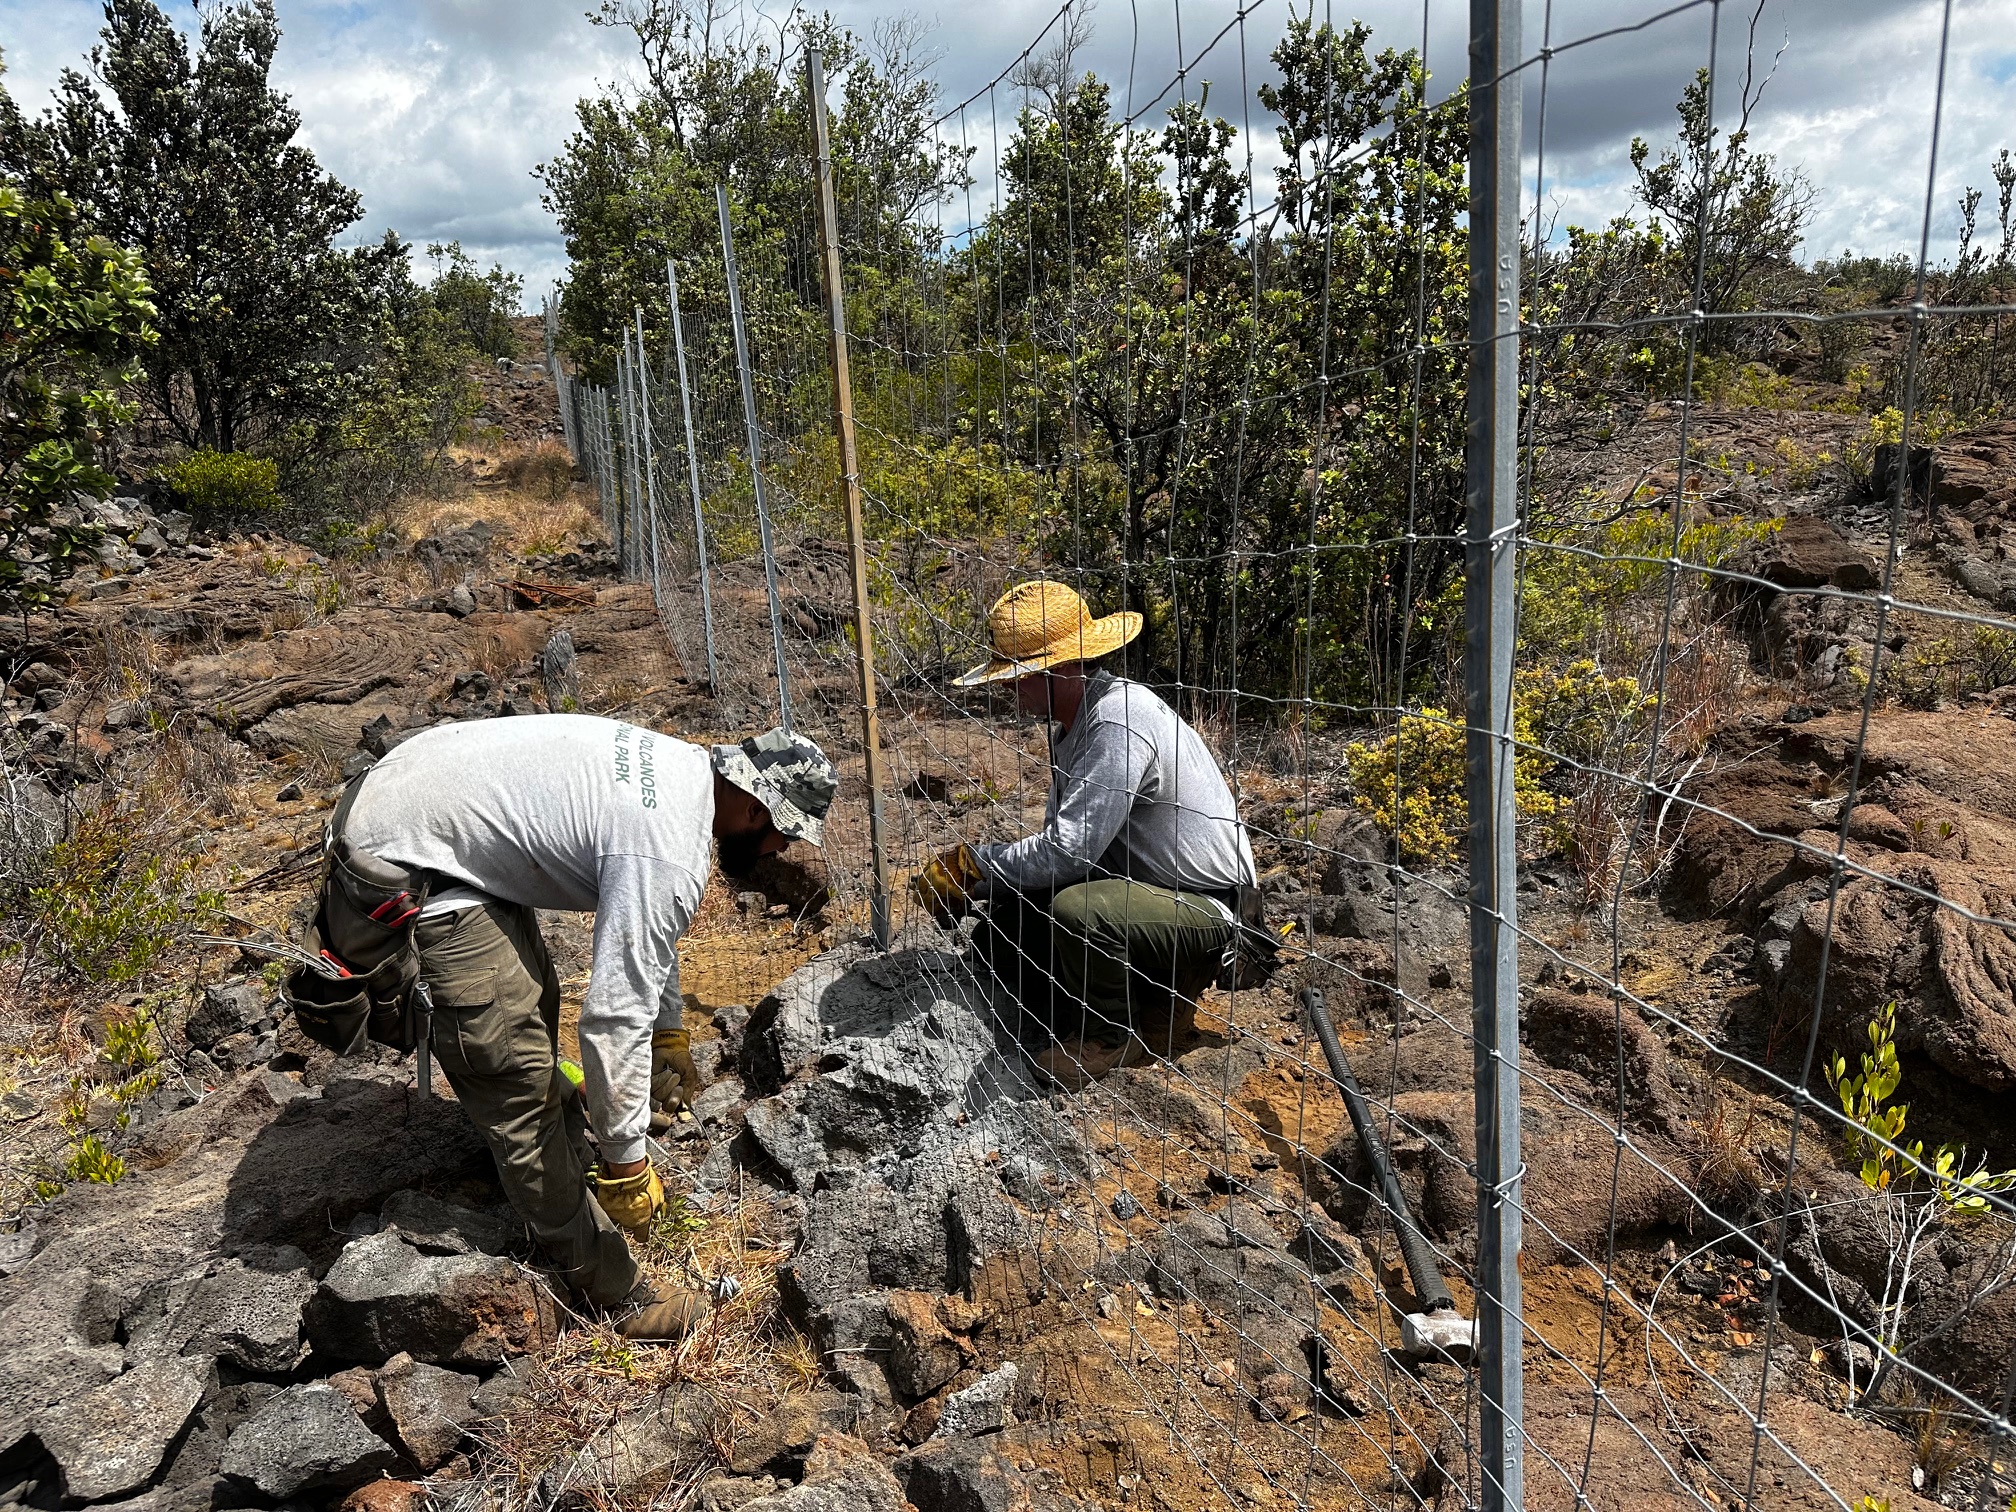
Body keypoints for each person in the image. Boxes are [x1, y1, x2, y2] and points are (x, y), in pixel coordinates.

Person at [309, 714, 837, 1339]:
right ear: (753, 807)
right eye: (785, 834)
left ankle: (570, 1164)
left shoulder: (680, 774)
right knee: (515, 1079)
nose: (782, 851)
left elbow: (640, 933)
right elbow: (613, 1019)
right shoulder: (666, 846)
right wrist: (627, 1163)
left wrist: (667, 1031)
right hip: (405, 860)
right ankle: (613, 1289)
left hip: (425, 812)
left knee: (534, 997)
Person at [912, 580, 1257, 1087]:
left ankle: (1112, 1038)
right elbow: (1068, 850)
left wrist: (976, 867)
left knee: (1075, 911)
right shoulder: (1075, 726)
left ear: (1065, 666)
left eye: (1020, 675)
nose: (1007, 687)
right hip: (1151, 892)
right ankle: (1143, 1001)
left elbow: (1070, 852)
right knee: (1008, 923)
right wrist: (988, 886)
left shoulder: (1119, 720)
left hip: (1209, 908)